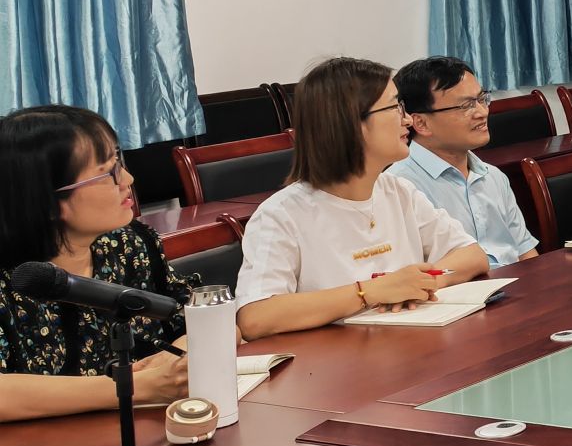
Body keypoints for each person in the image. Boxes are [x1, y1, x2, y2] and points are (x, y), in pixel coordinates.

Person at [235, 58, 489, 340]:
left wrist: (417, 284)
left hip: (407, 348)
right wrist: (368, 292)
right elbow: (255, 317)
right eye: (394, 107)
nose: (407, 119)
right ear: (351, 123)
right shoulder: (281, 214)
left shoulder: (397, 191)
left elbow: (472, 255)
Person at [0, 106, 195, 421]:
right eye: (108, 173)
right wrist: (135, 387)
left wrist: (177, 358)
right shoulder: (8, 282)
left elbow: (210, 315)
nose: (127, 179)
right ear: (47, 202)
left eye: (119, 161)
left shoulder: (130, 245)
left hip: (147, 432)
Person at [385, 56, 539, 268]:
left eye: (482, 99)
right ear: (421, 123)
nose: (482, 112)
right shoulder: (398, 188)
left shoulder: (493, 176)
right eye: (466, 105)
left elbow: (526, 254)